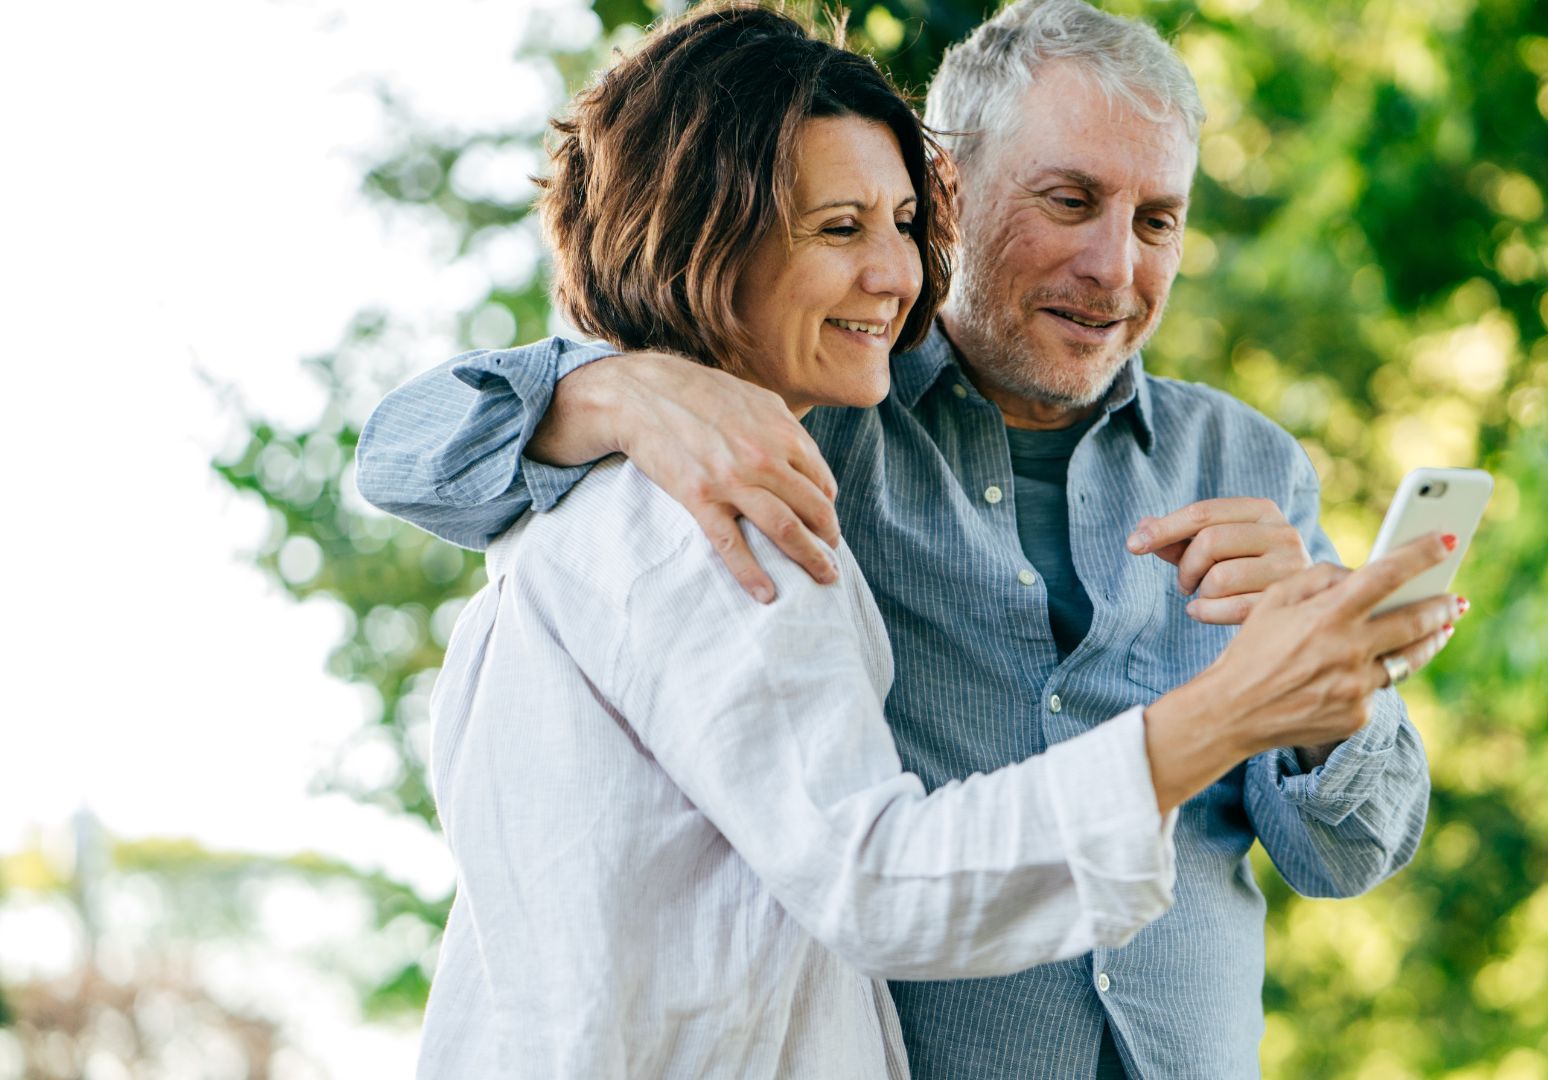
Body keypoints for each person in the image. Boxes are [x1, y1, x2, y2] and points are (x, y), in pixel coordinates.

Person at [361, 2, 1463, 1077]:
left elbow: (1346, 854)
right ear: (950, 188)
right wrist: (611, 389)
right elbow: (399, 457)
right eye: (1070, 201)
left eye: (1157, 221)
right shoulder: (788, 423)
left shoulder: (1248, 466)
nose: (1115, 267)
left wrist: (1331, 695)